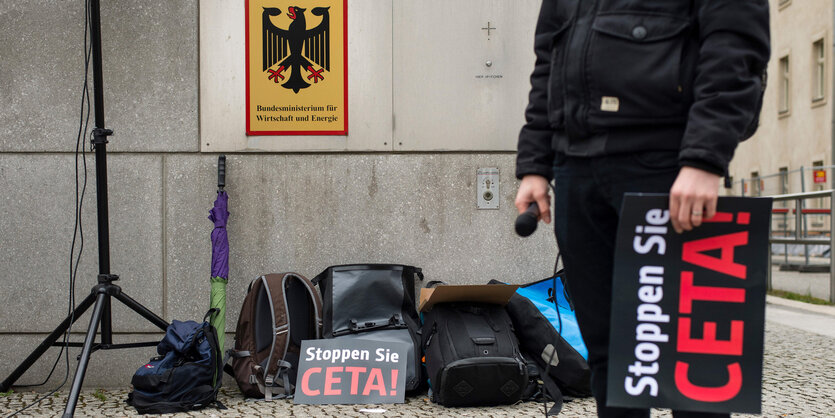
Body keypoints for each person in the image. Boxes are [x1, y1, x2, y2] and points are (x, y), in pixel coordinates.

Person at [514, 1, 770, 417]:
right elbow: (549, 60)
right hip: (577, 167)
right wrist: (535, 164)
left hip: (667, 166)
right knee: (611, 356)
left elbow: (735, 47)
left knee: (694, 363)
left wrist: (705, 158)